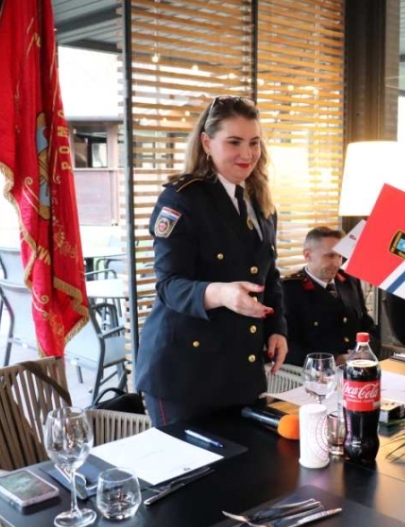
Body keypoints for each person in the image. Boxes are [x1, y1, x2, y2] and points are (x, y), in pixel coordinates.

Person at [135, 96, 288, 428]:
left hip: (238, 368)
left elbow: (268, 274)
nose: (246, 154)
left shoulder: (260, 200)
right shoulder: (182, 198)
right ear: (207, 142)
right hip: (184, 372)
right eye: (234, 142)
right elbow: (168, 285)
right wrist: (221, 293)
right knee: (190, 476)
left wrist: (277, 330)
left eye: (254, 143)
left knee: (245, 474)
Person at [282, 227, 378, 365]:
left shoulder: (349, 281)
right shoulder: (289, 289)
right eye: (330, 256)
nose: (337, 263)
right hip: (316, 375)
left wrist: (366, 351)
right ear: (307, 255)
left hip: (358, 367)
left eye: (340, 256)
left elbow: (366, 325)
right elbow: (286, 346)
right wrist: (335, 359)